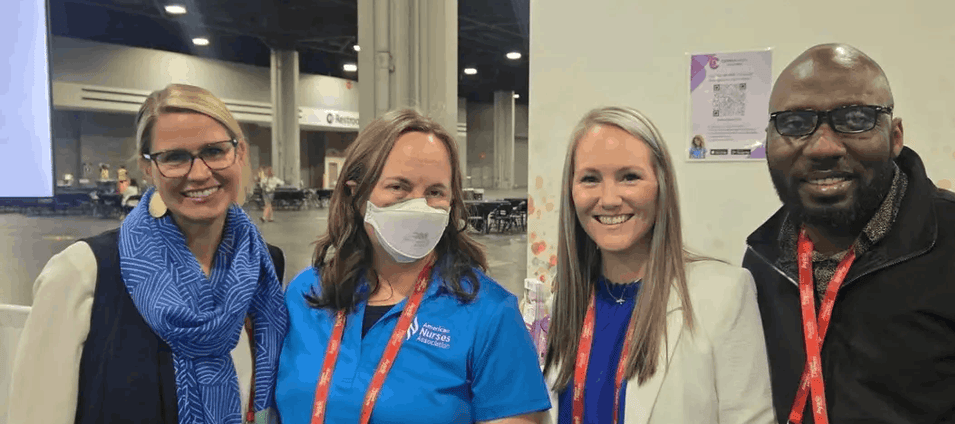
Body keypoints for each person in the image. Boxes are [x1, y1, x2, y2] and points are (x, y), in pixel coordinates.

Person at [8, 83, 289, 423]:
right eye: (174, 157)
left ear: (239, 153)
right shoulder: (85, 272)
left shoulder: (262, 264)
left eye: (214, 151)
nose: (199, 173)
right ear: (147, 168)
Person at [744, 43, 955, 424]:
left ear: (896, 135)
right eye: (795, 123)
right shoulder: (762, 259)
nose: (823, 147)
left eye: (855, 118)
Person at [275, 108, 551, 424]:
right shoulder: (305, 294)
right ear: (358, 194)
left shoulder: (489, 313)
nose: (418, 206)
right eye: (399, 187)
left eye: (435, 192)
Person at [544, 106, 775, 424]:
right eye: (590, 179)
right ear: (572, 192)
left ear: (661, 187)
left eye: (629, 177)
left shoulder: (722, 294)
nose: (609, 199)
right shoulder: (564, 302)